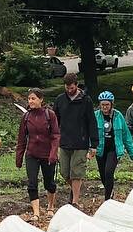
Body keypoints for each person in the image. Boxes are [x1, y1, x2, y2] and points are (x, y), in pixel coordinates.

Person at [15, 87, 60, 224]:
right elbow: (22, 138)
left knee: (49, 183)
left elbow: (56, 135)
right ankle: (36, 212)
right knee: (32, 183)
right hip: (32, 154)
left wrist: (53, 153)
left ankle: (51, 206)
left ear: (41, 99)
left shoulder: (49, 115)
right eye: (29, 99)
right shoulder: (26, 117)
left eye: (33, 98)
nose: (30, 101)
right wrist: (19, 157)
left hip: (47, 154)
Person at [52, 73, 97, 206]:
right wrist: (54, 141)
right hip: (64, 141)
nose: (69, 90)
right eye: (67, 87)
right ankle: (76, 190)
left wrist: (93, 144)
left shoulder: (86, 100)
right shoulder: (60, 100)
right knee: (65, 172)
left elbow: (92, 122)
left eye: (71, 87)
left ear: (76, 85)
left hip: (81, 142)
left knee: (76, 172)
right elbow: (55, 121)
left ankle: (75, 201)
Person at [93, 92, 133, 201]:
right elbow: (90, 133)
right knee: (103, 175)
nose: (104, 107)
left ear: (111, 104)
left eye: (107, 105)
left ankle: (107, 200)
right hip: (100, 149)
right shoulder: (96, 115)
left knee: (108, 172)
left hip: (114, 149)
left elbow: (126, 134)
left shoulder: (118, 116)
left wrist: (132, 152)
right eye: (102, 105)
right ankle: (110, 190)